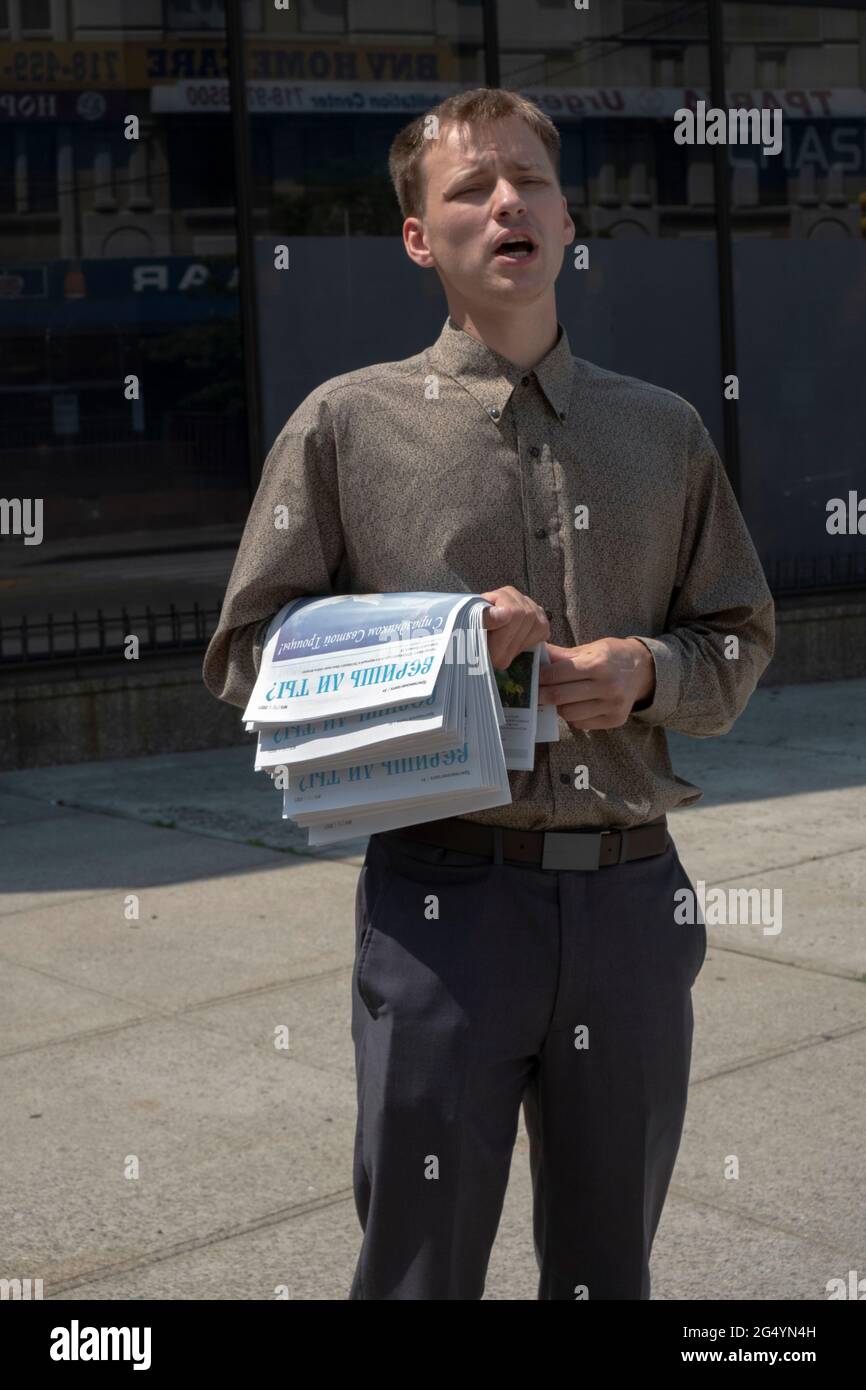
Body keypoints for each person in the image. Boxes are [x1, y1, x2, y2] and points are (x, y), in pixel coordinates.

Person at [203, 87, 776, 1300]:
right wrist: (448, 651)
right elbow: (249, 651)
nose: (506, 200)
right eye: (469, 187)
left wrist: (644, 673)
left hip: (630, 906)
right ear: (419, 236)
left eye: (530, 180)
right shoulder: (345, 427)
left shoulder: (663, 433)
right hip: (441, 910)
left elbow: (738, 642)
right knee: (418, 1270)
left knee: (606, 1268)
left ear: (568, 221)